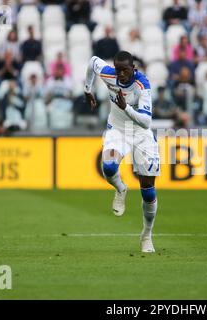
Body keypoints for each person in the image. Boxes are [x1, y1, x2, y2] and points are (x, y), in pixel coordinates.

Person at [84, 51, 160, 253]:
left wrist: (126, 107)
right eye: (118, 70)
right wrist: (87, 88)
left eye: (125, 70)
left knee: (148, 189)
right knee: (108, 167)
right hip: (117, 130)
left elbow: (146, 121)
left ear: (133, 69)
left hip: (141, 134)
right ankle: (120, 188)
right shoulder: (109, 73)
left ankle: (147, 235)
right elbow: (92, 62)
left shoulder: (142, 85)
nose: (121, 75)